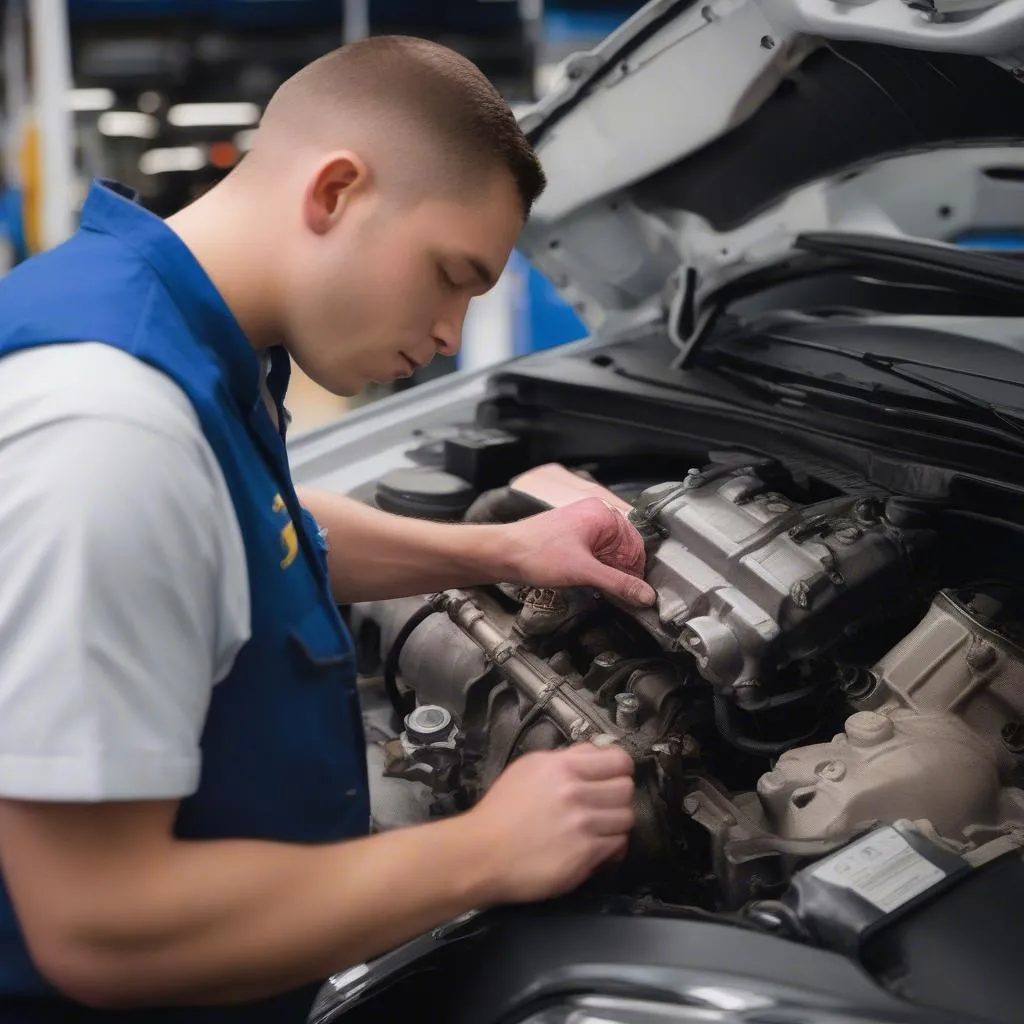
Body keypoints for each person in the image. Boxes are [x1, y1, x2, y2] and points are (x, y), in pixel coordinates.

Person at [0, 35, 657, 1023]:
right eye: (450, 272)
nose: (449, 330)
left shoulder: (170, 335)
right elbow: (95, 924)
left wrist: (504, 549)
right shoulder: (109, 428)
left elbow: (246, 539)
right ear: (337, 190)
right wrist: (484, 849)